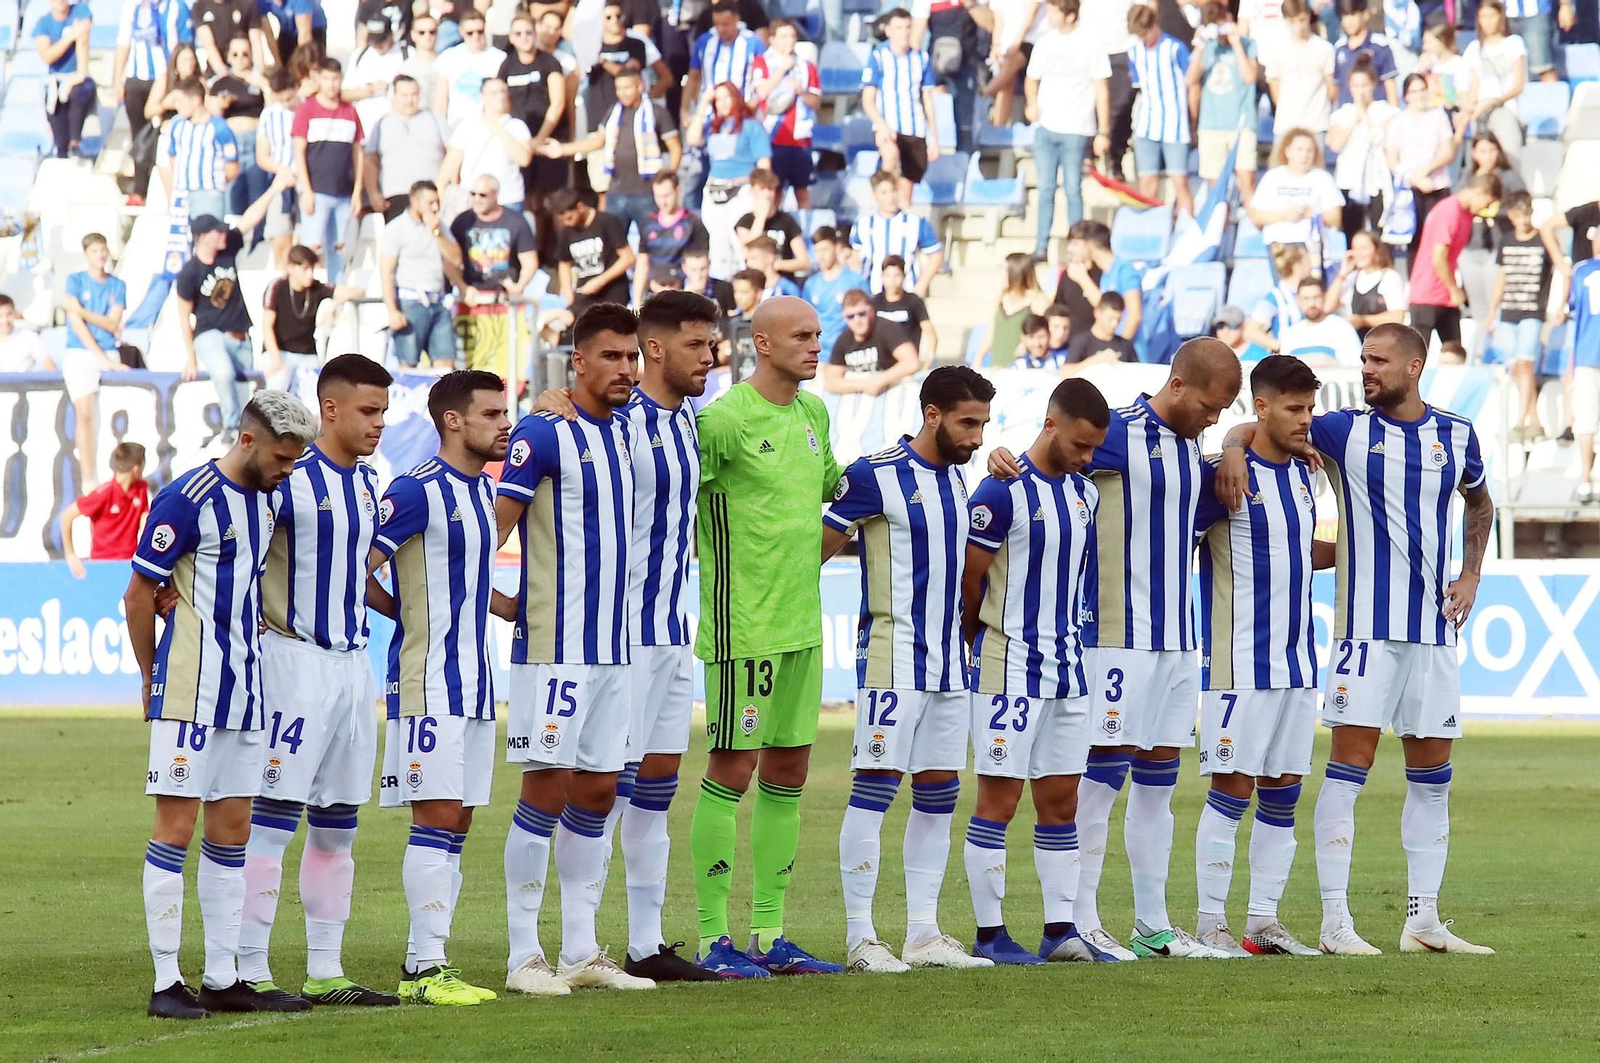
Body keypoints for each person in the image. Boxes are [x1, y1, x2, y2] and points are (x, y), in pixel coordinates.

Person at [1215, 321, 1496, 957]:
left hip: (1432, 633)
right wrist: (1233, 446)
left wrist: (1471, 573)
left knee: (1434, 777)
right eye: (1362, 359)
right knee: (1348, 772)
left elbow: (1480, 503)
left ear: (1415, 365)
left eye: (1377, 360)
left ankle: (1423, 920)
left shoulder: (1456, 433)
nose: (1366, 369)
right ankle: (1335, 923)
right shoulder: (1343, 429)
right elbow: (1262, 426)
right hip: (1365, 634)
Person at [987, 337, 1244, 961]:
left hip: (1179, 642)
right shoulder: (1116, 433)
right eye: (1212, 406)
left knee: (1159, 785)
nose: (1216, 419)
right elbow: (1045, 452)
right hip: (1113, 640)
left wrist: (1233, 443)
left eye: (1225, 412)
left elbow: (1240, 438)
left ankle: (1152, 923)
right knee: (1096, 786)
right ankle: (1080, 920)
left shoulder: (1196, 448)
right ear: (1178, 386)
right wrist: (1002, 456)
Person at [123, 390, 318, 1020]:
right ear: (248, 441)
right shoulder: (187, 499)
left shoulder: (269, 498)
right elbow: (137, 593)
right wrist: (154, 676)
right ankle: (164, 981)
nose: (290, 469)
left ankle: (223, 976)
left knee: (233, 832)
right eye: (284, 457)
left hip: (246, 690)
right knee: (175, 830)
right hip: (189, 692)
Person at [492, 303, 655, 994]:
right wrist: (510, 610)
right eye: (611, 357)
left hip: (615, 646)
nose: (626, 368)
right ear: (578, 361)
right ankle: (524, 952)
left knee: (599, 788)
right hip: (556, 647)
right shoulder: (543, 432)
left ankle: (582, 948)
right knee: (547, 788)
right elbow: (488, 530)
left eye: (631, 357)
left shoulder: (623, 430)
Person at [689, 296, 846, 978]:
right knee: (733, 768)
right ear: (760, 342)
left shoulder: (814, 413)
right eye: (803, 335)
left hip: (801, 625)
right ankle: (711, 937)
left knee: (789, 772)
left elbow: (842, 486)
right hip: (743, 626)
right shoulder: (722, 421)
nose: (817, 345)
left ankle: (770, 934)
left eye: (819, 334)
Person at [237, 354, 399, 1008]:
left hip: (352, 666)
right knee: (272, 818)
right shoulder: (287, 477)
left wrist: (404, 611)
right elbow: (237, 553)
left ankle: (326, 970)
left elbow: (358, 573)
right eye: (368, 410)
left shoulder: (366, 482)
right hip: (292, 661)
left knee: (338, 822)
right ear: (328, 408)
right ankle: (247, 967)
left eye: (384, 411)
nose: (379, 424)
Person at [824, 366, 997, 974]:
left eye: (983, 424)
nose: (976, 437)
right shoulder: (873, 475)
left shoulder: (960, 480)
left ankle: (923, 934)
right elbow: (815, 550)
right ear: (932, 415)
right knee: (874, 793)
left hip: (953, 664)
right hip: (894, 662)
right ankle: (860, 938)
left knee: (938, 796)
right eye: (966, 423)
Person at [369, 369, 508, 1005]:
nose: (504, 424)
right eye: (491, 414)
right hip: (428, 681)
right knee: (435, 818)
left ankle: (426, 958)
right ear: (453, 420)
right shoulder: (415, 490)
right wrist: (402, 613)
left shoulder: (482, 490)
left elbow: (466, 579)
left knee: (460, 821)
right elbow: (358, 565)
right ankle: (426, 970)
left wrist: (506, 606)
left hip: (477, 682)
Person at [960, 377, 1108, 964]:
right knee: (998, 801)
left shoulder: (1084, 494)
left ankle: (1059, 931)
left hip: (1069, 671)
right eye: (1080, 445)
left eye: (1095, 448)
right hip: (1008, 669)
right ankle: (990, 935)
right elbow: (971, 581)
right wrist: (984, 641)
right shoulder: (1001, 491)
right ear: (1051, 425)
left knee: (1061, 802)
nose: (1087, 457)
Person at [1190, 355, 1330, 958]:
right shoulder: (1221, 479)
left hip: (1298, 663)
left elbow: (1301, 551)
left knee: (1283, 791)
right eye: (1294, 409)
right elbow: (1174, 543)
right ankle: (1210, 922)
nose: (1306, 420)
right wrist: (1231, 443)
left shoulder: (1304, 473)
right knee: (1231, 788)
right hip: (1239, 664)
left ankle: (1263, 922)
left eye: (1310, 408)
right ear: (1262, 407)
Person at [175, 175, 296, 442]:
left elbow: (250, 219)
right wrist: (191, 356)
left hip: (240, 334)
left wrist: (274, 189)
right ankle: (230, 427)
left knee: (246, 393)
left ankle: (244, 432)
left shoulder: (227, 247)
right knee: (223, 372)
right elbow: (184, 316)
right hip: (209, 334)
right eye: (217, 231)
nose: (223, 234)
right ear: (203, 237)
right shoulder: (189, 273)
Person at [539, 70, 679, 239]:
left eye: (627, 88)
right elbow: (598, 141)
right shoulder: (614, 112)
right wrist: (563, 149)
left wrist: (668, 180)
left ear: (639, 86)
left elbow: (675, 148)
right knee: (614, 242)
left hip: (646, 192)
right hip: (617, 190)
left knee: (651, 240)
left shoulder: (657, 113)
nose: (622, 93)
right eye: (618, 88)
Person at [1027, 0, 1111, 260]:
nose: (1050, 15)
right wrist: (1031, 104)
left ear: (1071, 15)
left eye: (1054, 10)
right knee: (1045, 189)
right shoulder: (1044, 42)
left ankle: (1077, 245)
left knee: (1073, 189)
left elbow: (1101, 90)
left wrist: (1103, 131)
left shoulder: (1091, 43)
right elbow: (1032, 78)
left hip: (1076, 128)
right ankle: (1041, 246)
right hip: (1047, 128)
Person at [450, 174, 538, 374]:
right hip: (470, 301)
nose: (476, 199)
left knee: (507, 363)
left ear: (496, 195)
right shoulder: (462, 221)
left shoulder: (515, 221)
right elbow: (449, 260)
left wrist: (519, 286)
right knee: (472, 363)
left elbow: (530, 260)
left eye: (482, 195)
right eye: (473, 194)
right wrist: (462, 287)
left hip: (504, 301)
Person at [63, 233, 130, 490]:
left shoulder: (117, 285)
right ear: (86, 254)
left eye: (103, 250)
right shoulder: (76, 280)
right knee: (86, 414)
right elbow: (78, 326)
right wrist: (100, 355)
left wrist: (81, 311)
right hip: (82, 351)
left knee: (111, 415)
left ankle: (113, 474)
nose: (100, 255)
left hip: (107, 350)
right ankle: (88, 477)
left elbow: (112, 322)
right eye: (95, 251)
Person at [686, 82, 771, 280]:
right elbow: (692, 138)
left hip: (741, 189)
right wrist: (703, 104)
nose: (722, 103)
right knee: (717, 247)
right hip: (714, 190)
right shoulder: (714, 127)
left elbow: (764, 164)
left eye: (726, 97)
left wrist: (762, 194)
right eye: (718, 99)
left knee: (741, 246)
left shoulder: (751, 127)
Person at [1408, 173, 1503, 351]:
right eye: (1487, 203)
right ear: (1480, 192)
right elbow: (1438, 258)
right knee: (1417, 357)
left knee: (1455, 354)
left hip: (1446, 296)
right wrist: (1454, 289)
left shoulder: (1466, 215)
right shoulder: (1448, 212)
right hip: (1427, 294)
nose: (1485, 208)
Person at [861, 7, 942, 212]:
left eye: (907, 27)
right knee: (890, 154)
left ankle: (903, 231)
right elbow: (868, 99)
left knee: (906, 197)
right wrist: (880, 125)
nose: (904, 32)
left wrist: (934, 136)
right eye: (898, 28)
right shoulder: (879, 57)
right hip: (890, 127)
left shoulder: (921, 59)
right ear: (888, 30)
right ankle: (878, 208)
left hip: (915, 128)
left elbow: (927, 99)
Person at [292, 58, 364, 284]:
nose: (331, 84)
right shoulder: (307, 110)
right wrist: (307, 190)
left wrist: (357, 191)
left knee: (339, 251)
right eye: (326, 79)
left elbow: (357, 153)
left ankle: (337, 302)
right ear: (318, 81)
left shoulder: (350, 112)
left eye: (335, 79)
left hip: (343, 192)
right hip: (318, 192)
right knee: (311, 249)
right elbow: (299, 151)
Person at [115, 0, 193, 205]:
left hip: (166, 77)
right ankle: (140, 189)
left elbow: (185, 44)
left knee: (168, 130)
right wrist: (117, 80)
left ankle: (172, 189)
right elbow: (123, 43)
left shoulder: (177, 7)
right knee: (141, 136)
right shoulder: (132, 6)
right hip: (136, 78)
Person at [1488, 191, 1554, 435]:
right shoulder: (1506, 240)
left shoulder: (1543, 239)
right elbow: (1502, 277)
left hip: (1533, 310)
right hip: (1509, 310)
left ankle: (1521, 419)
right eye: (1518, 215)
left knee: (1526, 362)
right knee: (1516, 366)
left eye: (1525, 214)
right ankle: (1534, 419)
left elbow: (1556, 269)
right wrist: (1493, 310)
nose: (1523, 220)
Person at [382, 179, 466, 368]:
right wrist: (392, 310)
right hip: (411, 301)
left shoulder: (440, 226)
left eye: (437, 202)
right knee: (408, 363)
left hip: (438, 301)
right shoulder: (397, 228)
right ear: (414, 201)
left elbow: (455, 259)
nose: (435, 207)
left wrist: (437, 232)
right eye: (430, 203)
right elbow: (386, 271)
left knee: (445, 363)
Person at [498, 12, 567, 230]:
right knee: (530, 201)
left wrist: (540, 138)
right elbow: (500, 100)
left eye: (528, 32)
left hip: (547, 139)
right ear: (511, 37)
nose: (524, 37)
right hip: (521, 144)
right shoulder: (506, 66)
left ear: (535, 34)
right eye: (518, 33)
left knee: (555, 199)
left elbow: (557, 104)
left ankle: (559, 253)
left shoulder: (550, 62)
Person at [1458, 132, 1524, 356]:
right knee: (1478, 308)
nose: (1487, 156)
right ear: (1474, 153)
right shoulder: (1467, 178)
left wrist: (1499, 211)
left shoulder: (1509, 176)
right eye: (1482, 151)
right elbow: (1459, 204)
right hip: (1470, 247)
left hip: (1496, 247)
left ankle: (1503, 355)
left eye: (1491, 150)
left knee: (1495, 306)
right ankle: (1479, 353)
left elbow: (1522, 204)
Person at [1385, 72, 1460, 270]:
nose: (1419, 96)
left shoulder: (1438, 116)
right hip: (1411, 189)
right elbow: (1392, 159)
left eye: (1422, 90)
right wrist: (1413, 178)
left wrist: (1425, 170)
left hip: (1438, 184)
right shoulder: (1397, 121)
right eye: (1414, 91)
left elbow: (1447, 152)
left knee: (1442, 240)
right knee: (1415, 241)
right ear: (1406, 96)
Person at [260, 245, 362, 387]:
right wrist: (276, 358)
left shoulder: (316, 288)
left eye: (312, 269)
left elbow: (356, 291)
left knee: (316, 397)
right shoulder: (277, 287)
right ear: (290, 268)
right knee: (277, 391)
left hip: (307, 354)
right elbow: (267, 325)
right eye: (305, 269)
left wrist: (335, 304)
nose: (310, 274)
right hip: (280, 352)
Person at [1126, 4, 1194, 217]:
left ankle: (1186, 228)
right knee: (1147, 181)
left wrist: (1193, 121)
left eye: (1145, 33)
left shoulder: (1175, 49)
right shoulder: (1134, 53)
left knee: (1179, 181)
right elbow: (1138, 87)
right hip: (1146, 125)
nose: (1143, 38)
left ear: (1155, 25)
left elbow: (1191, 84)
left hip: (1175, 124)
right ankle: (1150, 227)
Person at [1188, 3, 1260, 205]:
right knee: (1216, 185)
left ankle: (1252, 227)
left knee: (1247, 181)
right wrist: (1200, 46)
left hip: (1242, 124)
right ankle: (1220, 226)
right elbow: (1191, 79)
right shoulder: (1208, 48)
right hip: (1212, 125)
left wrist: (1236, 43)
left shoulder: (1248, 44)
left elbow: (1250, 77)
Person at [749, 18, 820, 208]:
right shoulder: (761, 62)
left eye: (793, 36)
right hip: (772, 139)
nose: (790, 40)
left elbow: (816, 101)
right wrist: (782, 69)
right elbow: (761, 93)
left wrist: (801, 92)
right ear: (772, 39)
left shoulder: (806, 65)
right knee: (774, 191)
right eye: (784, 36)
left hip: (800, 139)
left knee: (802, 191)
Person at [1326, 58, 1397, 243]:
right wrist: (1355, 116)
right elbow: (1335, 144)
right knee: (1351, 234)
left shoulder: (1384, 111)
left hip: (1377, 181)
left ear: (1373, 84)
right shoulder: (1343, 113)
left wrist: (1364, 115)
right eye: (1356, 86)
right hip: (1348, 180)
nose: (1360, 90)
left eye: (1364, 85)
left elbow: (1380, 139)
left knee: (1378, 234)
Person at [439, 77, 535, 209]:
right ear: (483, 96)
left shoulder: (517, 126)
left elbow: (524, 159)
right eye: (494, 93)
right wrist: (440, 190)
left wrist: (502, 132)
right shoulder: (467, 126)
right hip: (473, 198)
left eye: (503, 92)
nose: (500, 96)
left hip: (508, 198)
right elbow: (451, 162)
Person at [1247, 130, 1344, 257]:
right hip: (1279, 246)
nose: (1304, 156)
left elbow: (1335, 219)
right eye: (1299, 150)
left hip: (1312, 245)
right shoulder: (1272, 177)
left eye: (1310, 151)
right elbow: (1256, 216)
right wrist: (1284, 215)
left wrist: (1310, 213)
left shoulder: (1323, 178)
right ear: (1288, 152)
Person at [365, 75, 448, 222]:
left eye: (414, 94)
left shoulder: (435, 120)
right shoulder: (382, 124)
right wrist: (373, 193)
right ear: (394, 96)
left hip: (431, 197)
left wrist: (442, 187)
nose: (410, 100)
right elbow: (370, 160)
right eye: (404, 95)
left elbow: (452, 154)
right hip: (396, 196)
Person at [60, 441, 149, 578]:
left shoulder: (141, 489)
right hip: (102, 565)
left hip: (129, 564)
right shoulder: (104, 493)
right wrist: (70, 555)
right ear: (137, 469)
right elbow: (66, 517)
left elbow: (144, 519)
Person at [853, 170, 945, 296]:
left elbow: (936, 254)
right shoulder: (863, 223)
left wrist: (921, 285)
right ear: (875, 196)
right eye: (884, 192)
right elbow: (853, 256)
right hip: (872, 294)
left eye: (893, 190)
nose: (891, 197)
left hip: (906, 293)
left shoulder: (915, 221)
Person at [680, 0, 765, 135]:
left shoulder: (753, 42)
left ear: (737, 19)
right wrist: (684, 109)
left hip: (742, 114)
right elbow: (693, 75)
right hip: (709, 114)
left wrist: (751, 106)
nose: (721, 29)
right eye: (717, 24)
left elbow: (762, 82)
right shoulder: (705, 41)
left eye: (725, 24)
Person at [212, 37, 273, 226]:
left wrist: (264, 85)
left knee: (258, 188)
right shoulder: (221, 82)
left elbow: (272, 111)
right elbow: (211, 112)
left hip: (255, 140)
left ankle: (257, 234)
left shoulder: (258, 81)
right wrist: (222, 104)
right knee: (232, 190)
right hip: (231, 141)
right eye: (235, 54)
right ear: (228, 57)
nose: (240, 59)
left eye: (245, 54)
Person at [162, 78, 242, 223]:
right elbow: (172, 156)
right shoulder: (177, 125)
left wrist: (214, 183)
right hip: (182, 195)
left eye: (180, 101)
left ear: (196, 100)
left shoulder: (219, 127)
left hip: (209, 195)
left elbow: (232, 166)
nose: (177, 106)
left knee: (208, 240)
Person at [1052, 220, 1141, 342]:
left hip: (1128, 350)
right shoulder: (1106, 274)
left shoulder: (1125, 271)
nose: (1069, 249)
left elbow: (1135, 315)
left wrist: (1122, 347)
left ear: (1089, 245)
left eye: (1076, 243)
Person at [1462, 0, 1526, 168]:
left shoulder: (1513, 43)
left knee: (1510, 162)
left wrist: (1493, 101)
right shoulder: (1474, 48)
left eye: (1492, 16)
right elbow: (1474, 86)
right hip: (1481, 114)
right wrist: (1469, 107)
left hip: (1506, 110)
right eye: (1483, 17)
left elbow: (1518, 85)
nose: (1488, 21)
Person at [551, 189, 635, 316]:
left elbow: (628, 258)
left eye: (569, 218)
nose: (568, 223)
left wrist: (600, 281)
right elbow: (564, 263)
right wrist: (568, 293)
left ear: (580, 207)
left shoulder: (607, 221)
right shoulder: (567, 231)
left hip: (612, 293)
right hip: (584, 295)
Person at [1265, 0, 1335, 147]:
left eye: (1302, 20)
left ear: (1308, 16)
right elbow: (1275, 88)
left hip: (1316, 125)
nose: (1298, 27)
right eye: (1292, 21)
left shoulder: (1324, 49)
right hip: (1286, 125)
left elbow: (1332, 89)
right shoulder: (1276, 49)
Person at [825, 290, 921, 395]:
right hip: (861, 395)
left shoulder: (887, 329)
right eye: (850, 316)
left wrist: (881, 380)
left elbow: (911, 362)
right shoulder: (843, 339)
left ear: (871, 311)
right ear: (845, 318)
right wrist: (863, 385)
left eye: (861, 314)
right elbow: (831, 382)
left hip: (892, 392)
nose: (857, 320)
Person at [33, 0, 96, 159]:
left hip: (79, 79)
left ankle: (75, 143)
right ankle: (62, 151)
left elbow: (83, 39)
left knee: (77, 93)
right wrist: (69, 37)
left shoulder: (80, 11)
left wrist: (79, 74)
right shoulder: (43, 23)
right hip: (57, 81)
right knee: (55, 113)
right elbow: (47, 55)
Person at [636, 173, 709, 304]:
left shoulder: (693, 223)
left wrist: (690, 291)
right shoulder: (647, 223)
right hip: (654, 291)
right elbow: (642, 262)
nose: (662, 201)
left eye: (666, 196)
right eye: (658, 196)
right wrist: (637, 299)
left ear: (678, 191)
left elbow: (700, 262)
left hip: (682, 293)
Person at [1565, 240, 1600, 501]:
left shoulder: (1582, 270)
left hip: (1587, 353)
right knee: (1587, 419)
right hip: (1586, 354)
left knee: (1586, 419)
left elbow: (1572, 311)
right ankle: (1590, 478)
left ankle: (1587, 478)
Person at [256, 68, 301, 266]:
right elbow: (262, 157)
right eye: (281, 99)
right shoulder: (269, 115)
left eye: (289, 98)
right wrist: (284, 171)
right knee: (280, 239)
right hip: (281, 180)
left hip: (307, 181)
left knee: (307, 243)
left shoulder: (309, 108)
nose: (286, 104)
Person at [1326, 229, 1408, 338]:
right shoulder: (1353, 277)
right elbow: (1328, 306)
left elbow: (1397, 317)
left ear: (1377, 250)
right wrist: (1342, 274)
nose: (1358, 253)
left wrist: (1363, 321)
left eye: (1363, 248)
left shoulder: (1389, 277)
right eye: (1355, 248)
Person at [434, 10, 506, 128]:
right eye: (470, 33)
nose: (475, 36)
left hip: (490, 126)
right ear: (461, 32)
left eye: (480, 31)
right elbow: (442, 97)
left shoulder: (500, 58)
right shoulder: (448, 57)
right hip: (456, 126)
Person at [977, 252, 1050, 368]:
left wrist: (1025, 345)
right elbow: (992, 329)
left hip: (1023, 366)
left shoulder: (1037, 300)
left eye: (1006, 271)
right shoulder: (1003, 296)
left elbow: (1045, 332)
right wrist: (979, 357)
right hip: (997, 364)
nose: (1002, 275)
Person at [734, 170, 810, 278]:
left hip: (782, 281)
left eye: (770, 189)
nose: (767, 194)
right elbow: (747, 250)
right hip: (755, 281)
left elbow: (804, 262)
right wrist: (761, 216)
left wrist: (772, 264)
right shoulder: (745, 222)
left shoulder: (787, 221)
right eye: (762, 189)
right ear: (752, 191)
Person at [805, 227, 868, 353]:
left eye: (825, 249)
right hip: (820, 354)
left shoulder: (855, 281)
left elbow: (868, 314)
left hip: (850, 351)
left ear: (836, 248)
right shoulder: (810, 285)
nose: (821, 256)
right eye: (817, 251)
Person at [1276, 277, 1363, 366]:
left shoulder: (1342, 328)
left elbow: (1355, 367)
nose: (1311, 304)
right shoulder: (1291, 333)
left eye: (1316, 297)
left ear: (1324, 297)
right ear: (1298, 300)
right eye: (1306, 298)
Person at [1244, 244, 1312, 354]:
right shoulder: (1276, 296)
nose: (1311, 266)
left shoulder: (1308, 292)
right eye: (1308, 261)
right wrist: (1280, 347)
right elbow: (1251, 331)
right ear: (1298, 265)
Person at [871, 256, 936, 366]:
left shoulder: (914, 301)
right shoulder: (874, 303)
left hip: (907, 367)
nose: (892, 280)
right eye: (888, 276)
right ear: (882, 277)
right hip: (881, 368)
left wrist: (927, 364)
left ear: (904, 276)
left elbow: (931, 335)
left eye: (897, 275)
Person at [1332, 0, 1398, 105]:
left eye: (1353, 15)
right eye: (1345, 16)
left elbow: (1391, 88)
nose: (1349, 21)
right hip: (1348, 115)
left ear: (1365, 15)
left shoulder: (1380, 46)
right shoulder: (1339, 48)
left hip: (1376, 114)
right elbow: (1337, 89)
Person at [345, 19, 405, 131]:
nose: (378, 45)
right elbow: (344, 93)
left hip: (397, 125)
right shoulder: (359, 55)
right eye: (374, 42)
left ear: (391, 35)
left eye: (382, 41)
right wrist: (364, 92)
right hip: (365, 125)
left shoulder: (405, 54)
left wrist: (390, 88)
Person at [192, 0, 266, 78]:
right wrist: (222, 72)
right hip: (217, 71)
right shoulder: (200, 6)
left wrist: (258, 71)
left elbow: (256, 42)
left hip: (246, 68)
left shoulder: (248, 3)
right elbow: (209, 44)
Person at [1063, 290, 1137, 367]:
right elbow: (1066, 372)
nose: (1114, 324)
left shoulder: (1125, 345)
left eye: (1118, 319)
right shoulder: (1081, 341)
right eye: (1110, 318)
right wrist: (1096, 360)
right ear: (1097, 313)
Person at [398, 14, 443, 111]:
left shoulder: (447, 63)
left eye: (432, 32)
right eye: (421, 32)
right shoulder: (406, 69)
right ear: (413, 35)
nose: (427, 36)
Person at [0, 293, 51, 372]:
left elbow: (51, 369)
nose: (5, 321)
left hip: (22, 384)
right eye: (0, 315)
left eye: (9, 314)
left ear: (15, 313)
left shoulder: (29, 337)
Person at [685, 247, 736, 317]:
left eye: (703, 269)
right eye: (693, 270)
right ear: (684, 267)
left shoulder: (725, 288)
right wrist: (687, 296)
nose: (699, 275)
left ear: (709, 265)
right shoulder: (677, 289)